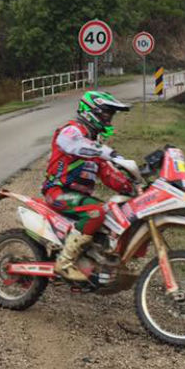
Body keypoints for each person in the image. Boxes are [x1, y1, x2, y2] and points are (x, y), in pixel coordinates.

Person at [43, 90, 141, 282]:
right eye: (106, 113)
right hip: (58, 192)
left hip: (77, 197)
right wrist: (112, 154)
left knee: (112, 213)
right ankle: (65, 262)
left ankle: (95, 263)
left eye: (111, 115)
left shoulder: (93, 145)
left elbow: (108, 173)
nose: (108, 118)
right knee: (95, 211)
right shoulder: (71, 131)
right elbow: (74, 145)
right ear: (91, 111)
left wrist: (132, 186)